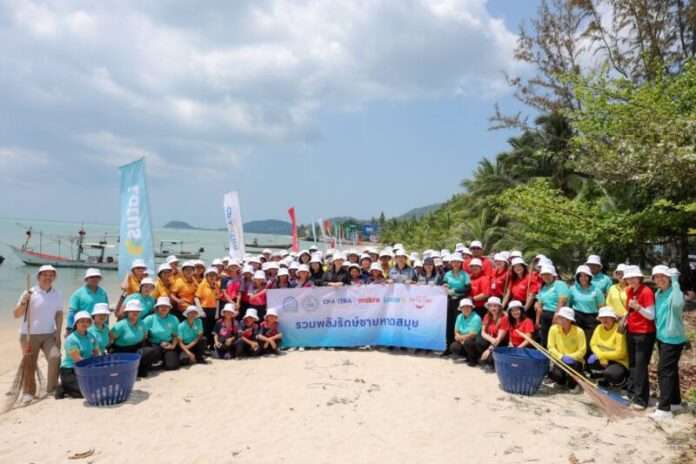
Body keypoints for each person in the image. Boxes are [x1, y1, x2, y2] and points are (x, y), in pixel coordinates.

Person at [14, 265, 63, 402]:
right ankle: (28, 392)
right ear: (38, 277)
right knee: (29, 362)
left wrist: (58, 333)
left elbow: (59, 313)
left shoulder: (57, 294)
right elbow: (16, 314)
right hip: (29, 334)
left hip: (49, 334)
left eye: (51, 275)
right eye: (44, 274)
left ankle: (52, 388)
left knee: (55, 356)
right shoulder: (29, 293)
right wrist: (24, 302)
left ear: (54, 277)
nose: (48, 277)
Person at [651, 265, 688, 420]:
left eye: (663, 276)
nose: (660, 279)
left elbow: (678, 305)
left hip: (673, 339)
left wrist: (675, 281)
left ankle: (664, 409)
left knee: (664, 372)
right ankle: (675, 402)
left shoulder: (675, 292)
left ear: (669, 278)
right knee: (670, 370)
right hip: (662, 337)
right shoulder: (658, 293)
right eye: (656, 277)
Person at [623, 265, 656, 410]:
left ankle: (641, 399)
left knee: (641, 366)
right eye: (628, 278)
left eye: (634, 277)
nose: (631, 280)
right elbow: (629, 311)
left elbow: (651, 315)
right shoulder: (630, 291)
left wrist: (638, 307)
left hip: (644, 333)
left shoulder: (646, 291)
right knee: (633, 364)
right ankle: (632, 392)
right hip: (631, 331)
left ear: (639, 277)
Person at [55, 311, 99, 399]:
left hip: (86, 368)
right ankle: (63, 387)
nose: (85, 323)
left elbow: (96, 351)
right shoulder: (71, 339)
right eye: (82, 321)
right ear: (76, 323)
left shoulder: (91, 336)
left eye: (87, 321)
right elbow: (77, 359)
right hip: (70, 370)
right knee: (84, 393)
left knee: (96, 388)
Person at [110, 300, 157, 378]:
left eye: (137, 311)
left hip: (136, 348)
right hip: (122, 351)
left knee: (151, 351)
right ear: (127, 312)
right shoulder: (120, 325)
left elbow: (145, 337)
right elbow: (110, 339)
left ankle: (139, 369)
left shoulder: (142, 323)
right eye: (132, 311)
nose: (135, 313)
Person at [587, 307, 628, 387]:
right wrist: (601, 357)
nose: (605, 320)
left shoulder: (619, 329)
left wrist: (601, 355)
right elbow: (593, 344)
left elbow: (621, 353)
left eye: (607, 317)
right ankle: (603, 380)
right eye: (602, 318)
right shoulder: (598, 328)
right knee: (591, 360)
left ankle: (622, 383)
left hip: (619, 361)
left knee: (611, 374)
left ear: (613, 318)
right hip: (604, 359)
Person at [547, 307, 586, 390]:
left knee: (572, 384)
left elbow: (582, 350)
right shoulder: (553, 329)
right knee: (556, 375)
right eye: (559, 317)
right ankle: (562, 380)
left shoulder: (579, 331)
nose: (559, 320)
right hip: (560, 359)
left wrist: (570, 357)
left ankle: (576, 381)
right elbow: (550, 347)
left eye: (562, 318)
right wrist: (561, 356)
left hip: (575, 361)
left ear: (569, 320)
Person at [463, 296, 508, 368]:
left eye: (495, 306)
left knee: (490, 360)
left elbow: (499, 339)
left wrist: (489, 350)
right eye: (491, 306)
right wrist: (491, 339)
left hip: (500, 343)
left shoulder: (504, 318)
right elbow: (483, 332)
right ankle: (476, 359)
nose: (493, 308)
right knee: (470, 341)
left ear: (499, 307)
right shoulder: (487, 316)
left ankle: (485, 358)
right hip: (491, 340)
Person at [440, 253, 471, 355]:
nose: (456, 264)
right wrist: (445, 286)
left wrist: (455, 290)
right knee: (449, 323)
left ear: (461, 263)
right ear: (451, 263)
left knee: (458, 324)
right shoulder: (447, 274)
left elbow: (467, 288)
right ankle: (448, 347)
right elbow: (443, 283)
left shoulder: (465, 274)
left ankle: (460, 348)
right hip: (449, 301)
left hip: (460, 301)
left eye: (458, 262)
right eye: (454, 262)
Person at [568, 265, 605, 349]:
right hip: (577, 316)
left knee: (589, 340)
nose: (583, 278)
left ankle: (587, 356)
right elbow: (569, 304)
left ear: (589, 277)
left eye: (585, 276)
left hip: (592, 318)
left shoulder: (596, 290)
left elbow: (602, 306)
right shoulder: (572, 289)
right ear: (577, 277)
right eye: (580, 276)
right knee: (576, 340)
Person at [535, 263, 569, 346]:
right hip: (545, 315)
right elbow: (540, 305)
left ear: (553, 275)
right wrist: (537, 320)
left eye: (548, 274)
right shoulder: (543, 288)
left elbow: (562, 300)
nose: (546, 276)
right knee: (545, 338)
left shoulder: (560, 284)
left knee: (557, 337)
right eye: (544, 275)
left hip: (557, 314)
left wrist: (557, 315)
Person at [66, 268, 109, 334]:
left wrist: (107, 326)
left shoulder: (103, 293)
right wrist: (69, 329)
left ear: (100, 279)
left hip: (99, 327)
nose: (94, 279)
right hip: (83, 328)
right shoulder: (78, 294)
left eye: (97, 277)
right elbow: (72, 312)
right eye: (91, 277)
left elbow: (106, 311)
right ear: (86, 279)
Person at [143, 297, 181, 371]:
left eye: (166, 306)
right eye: (161, 306)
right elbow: (143, 332)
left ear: (169, 308)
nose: (164, 308)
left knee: (172, 366)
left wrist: (173, 346)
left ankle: (164, 359)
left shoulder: (174, 319)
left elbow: (175, 335)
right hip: (154, 344)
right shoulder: (150, 318)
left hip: (168, 343)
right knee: (153, 355)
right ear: (157, 308)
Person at [195, 267, 222, 350]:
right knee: (204, 329)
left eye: (214, 275)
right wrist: (200, 310)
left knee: (212, 328)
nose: (212, 277)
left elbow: (218, 299)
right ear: (206, 276)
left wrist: (217, 312)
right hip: (204, 309)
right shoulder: (202, 285)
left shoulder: (217, 285)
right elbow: (196, 298)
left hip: (213, 309)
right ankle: (204, 347)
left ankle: (211, 346)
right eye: (210, 275)